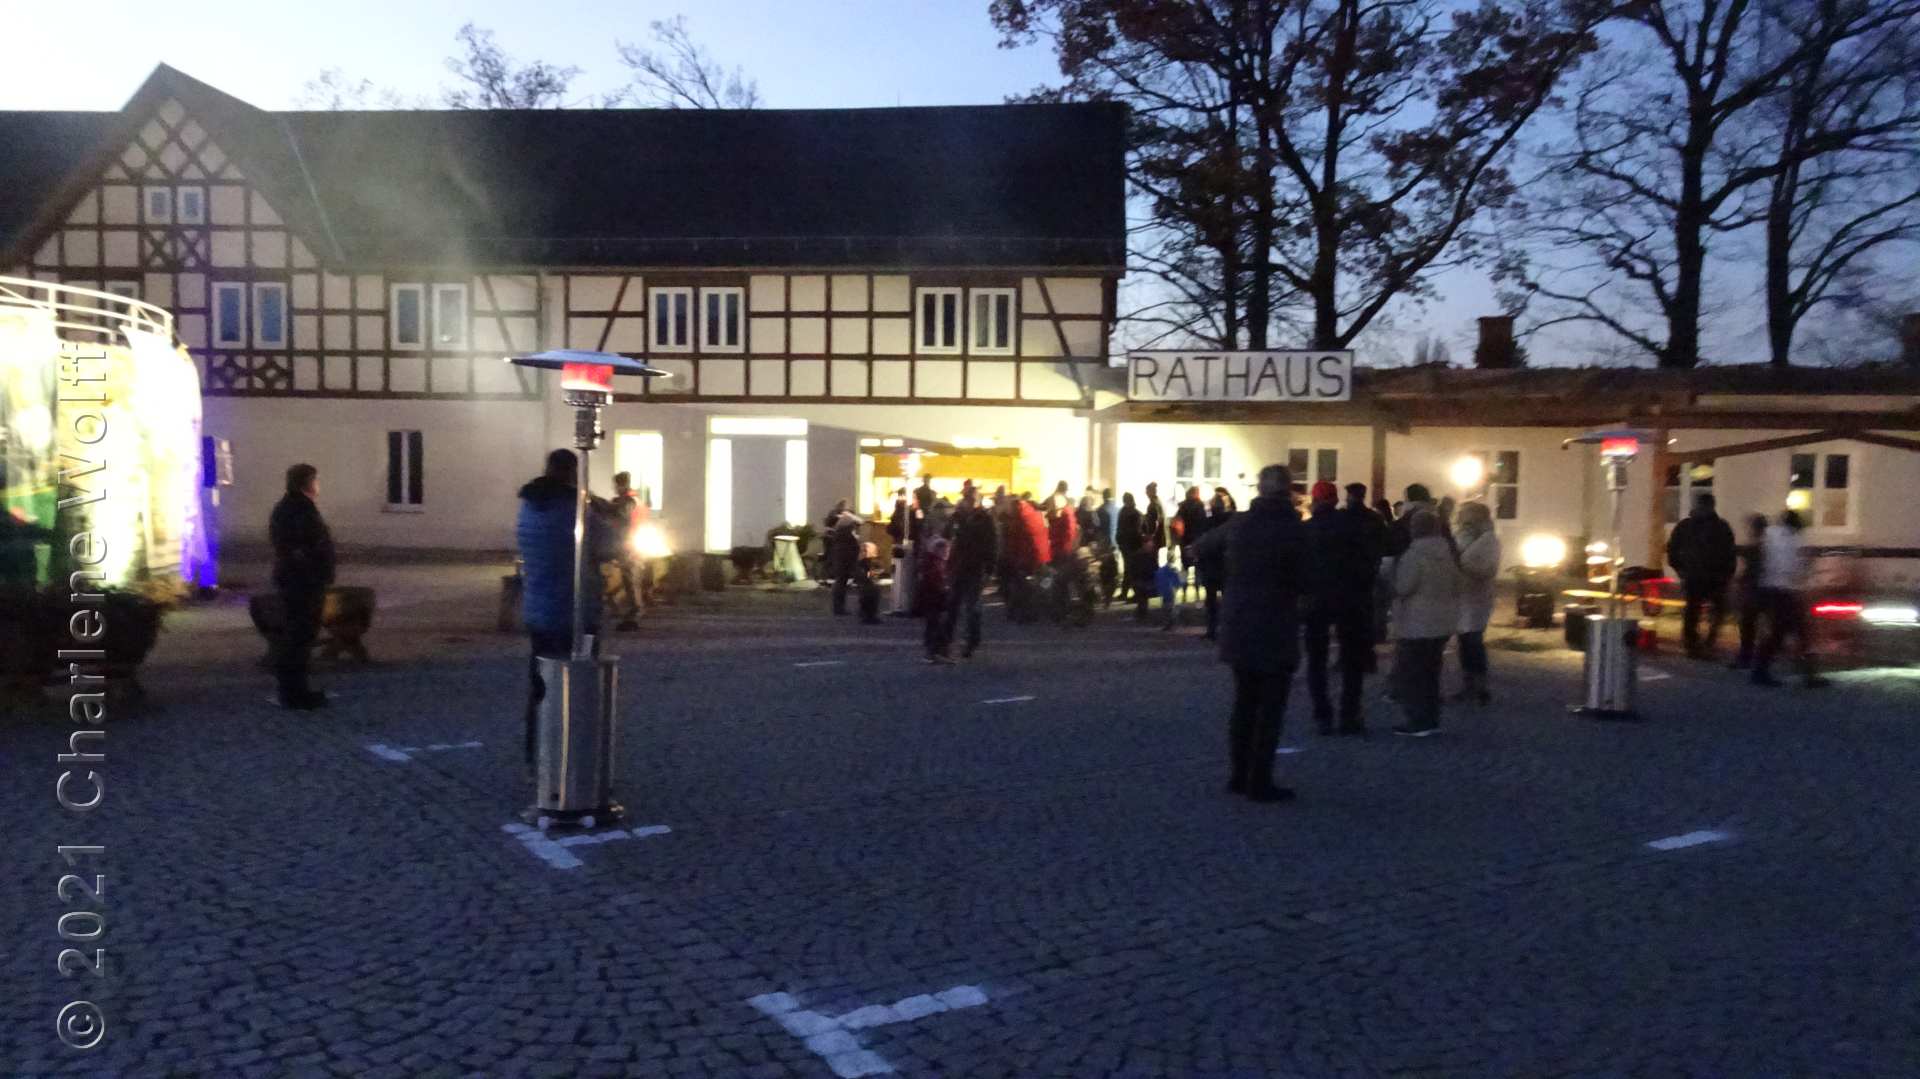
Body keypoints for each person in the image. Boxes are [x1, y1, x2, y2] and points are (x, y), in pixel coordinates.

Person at [1206, 464, 1306, 802]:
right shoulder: (1291, 527)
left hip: (1239, 621)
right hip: (1275, 623)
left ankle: (1238, 774)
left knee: (1244, 702)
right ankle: (1259, 780)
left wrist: (1226, 581)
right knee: (1270, 708)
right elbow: (1306, 575)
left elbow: (1202, 547)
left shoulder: (1241, 522)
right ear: (1288, 490)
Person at [517, 449, 615, 771]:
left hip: (539, 610)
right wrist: (597, 508)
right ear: (573, 474)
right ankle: (574, 757)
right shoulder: (576, 512)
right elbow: (610, 544)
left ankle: (538, 756)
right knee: (581, 686)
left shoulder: (529, 507)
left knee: (542, 686)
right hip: (575, 612)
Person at [1302, 481, 1376, 734]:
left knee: (1317, 661)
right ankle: (1350, 715)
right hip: (1350, 599)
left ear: (1314, 501)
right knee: (1352, 661)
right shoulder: (1353, 527)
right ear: (1335, 500)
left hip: (1316, 601)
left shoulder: (1306, 530)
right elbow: (1368, 561)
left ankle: (1322, 714)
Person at [268, 463, 335, 710]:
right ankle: (295, 692)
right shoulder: (298, 509)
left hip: (299, 580)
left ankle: (295, 689)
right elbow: (300, 547)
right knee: (299, 636)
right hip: (302, 582)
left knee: (299, 636)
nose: (318, 485)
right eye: (315, 480)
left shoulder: (289, 507)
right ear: (306, 482)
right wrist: (315, 568)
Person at [1391, 510, 1462, 737]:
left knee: (1413, 673)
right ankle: (1431, 718)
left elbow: (1404, 587)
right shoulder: (1448, 553)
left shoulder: (1414, 555)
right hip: (1442, 621)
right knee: (1431, 672)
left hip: (1417, 621)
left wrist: (1389, 578)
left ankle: (1417, 720)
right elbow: (1456, 584)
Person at [1752, 510, 1829, 688]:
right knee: (1796, 632)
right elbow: (1798, 569)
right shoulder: (1795, 541)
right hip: (1787, 591)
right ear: (1797, 526)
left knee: (1781, 632)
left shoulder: (1770, 535)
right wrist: (1808, 567)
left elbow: (1761, 557)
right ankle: (1807, 674)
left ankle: (1764, 670)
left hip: (1769, 589)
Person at [1667, 492, 1738, 658]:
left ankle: (1702, 643)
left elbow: (1729, 552)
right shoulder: (1697, 526)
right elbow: (1673, 549)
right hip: (1700, 576)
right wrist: (1680, 569)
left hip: (1710, 576)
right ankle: (1695, 644)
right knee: (1695, 611)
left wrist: (1728, 573)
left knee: (1704, 611)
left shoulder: (1713, 526)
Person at [1451, 501, 1502, 705]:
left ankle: (1480, 687)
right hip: (1462, 596)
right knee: (1464, 642)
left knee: (1473, 641)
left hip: (1477, 597)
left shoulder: (1489, 540)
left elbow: (1487, 569)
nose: (1460, 517)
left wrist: (1461, 565)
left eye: (1464, 514)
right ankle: (1468, 685)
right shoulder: (1462, 536)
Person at [945, 484, 997, 658]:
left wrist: (989, 567)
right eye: (966, 498)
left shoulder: (984, 519)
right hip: (958, 566)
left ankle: (971, 641)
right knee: (953, 604)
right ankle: (946, 640)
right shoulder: (957, 517)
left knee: (972, 607)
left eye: (970, 498)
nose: (967, 501)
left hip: (975, 567)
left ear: (977, 500)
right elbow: (947, 538)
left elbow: (992, 543)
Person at [1195, 488, 1235, 640]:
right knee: (1227, 600)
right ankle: (1227, 630)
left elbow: (1203, 541)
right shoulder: (1231, 521)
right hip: (1226, 564)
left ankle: (1212, 630)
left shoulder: (1208, 521)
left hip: (1211, 564)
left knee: (1211, 600)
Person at [1730, 513, 1769, 670]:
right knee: (1756, 626)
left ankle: (1747, 656)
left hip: (1753, 590)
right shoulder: (1766, 546)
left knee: (1748, 625)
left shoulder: (1757, 547)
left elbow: (1741, 552)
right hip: (1761, 589)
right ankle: (1753, 656)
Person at [608, 472, 644, 631]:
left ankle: (634, 614)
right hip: (633, 542)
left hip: (628, 543)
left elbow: (622, 519)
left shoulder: (627, 501)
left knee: (630, 580)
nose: (614, 488)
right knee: (628, 579)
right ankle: (628, 610)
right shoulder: (636, 500)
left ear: (621, 484)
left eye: (616, 485)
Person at [823, 501, 865, 616]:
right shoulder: (843, 521)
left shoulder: (840, 524)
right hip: (846, 557)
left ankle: (839, 608)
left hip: (843, 555)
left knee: (841, 581)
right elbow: (860, 521)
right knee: (848, 580)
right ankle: (859, 607)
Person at [918, 536, 953, 663]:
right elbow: (935, 583)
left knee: (937, 627)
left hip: (934, 600)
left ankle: (940, 652)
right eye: (945, 551)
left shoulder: (934, 563)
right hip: (934, 600)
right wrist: (944, 590)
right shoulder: (934, 565)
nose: (947, 554)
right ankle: (932, 653)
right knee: (935, 627)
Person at [1174, 486, 1209, 598]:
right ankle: (1198, 591)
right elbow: (1204, 523)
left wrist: (1178, 538)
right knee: (1198, 566)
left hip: (1185, 540)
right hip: (1197, 540)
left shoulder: (1182, 506)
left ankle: (1183, 590)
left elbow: (1177, 523)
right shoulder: (1200, 506)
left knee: (1185, 566)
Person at [1114, 491, 1143, 604]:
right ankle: (1129, 592)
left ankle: (1130, 593)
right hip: (1132, 545)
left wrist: (1120, 541)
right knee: (1131, 570)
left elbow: (1122, 529)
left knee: (1130, 570)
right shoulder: (1135, 513)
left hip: (1128, 545)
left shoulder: (1125, 512)